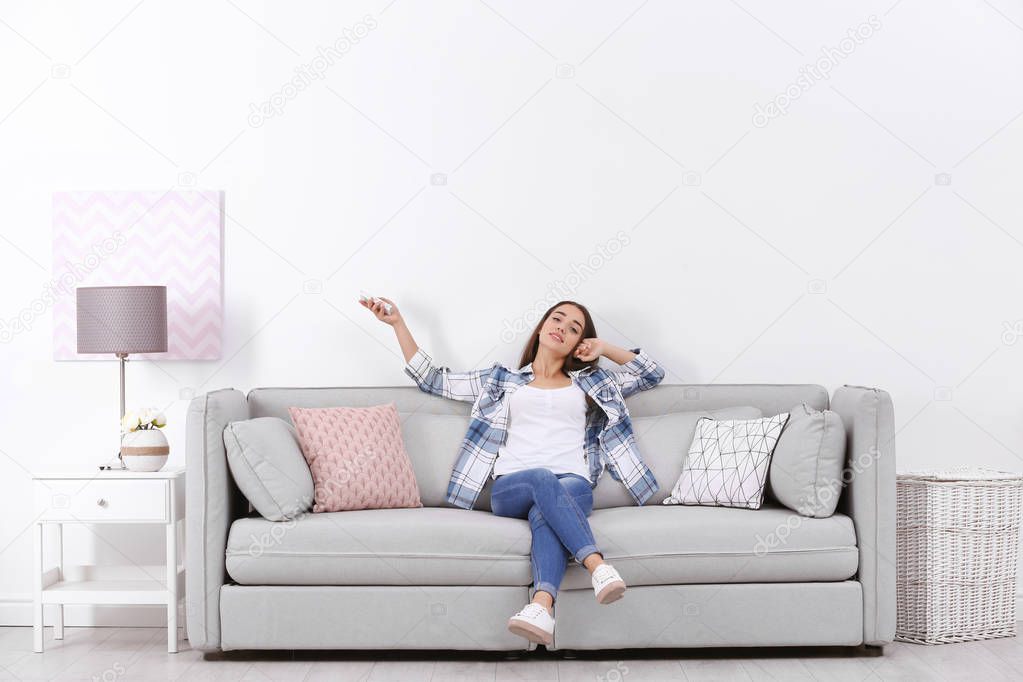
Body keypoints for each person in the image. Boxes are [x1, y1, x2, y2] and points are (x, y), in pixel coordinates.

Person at [361, 295, 665, 647]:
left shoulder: (592, 384)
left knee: (545, 511)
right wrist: (398, 323)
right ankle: (597, 565)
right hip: (511, 487)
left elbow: (651, 373)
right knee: (541, 478)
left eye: (574, 328)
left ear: (579, 342)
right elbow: (432, 380)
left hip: (574, 484)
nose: (562, 328)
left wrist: (604, 348)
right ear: (542, 327)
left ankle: (540, 606)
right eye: (557, 319)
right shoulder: (500, 379)